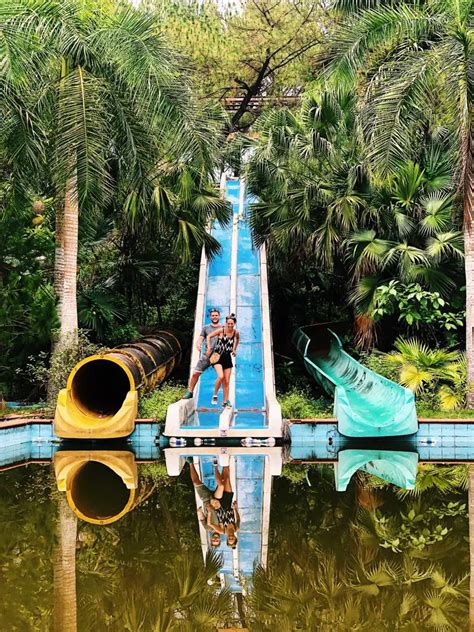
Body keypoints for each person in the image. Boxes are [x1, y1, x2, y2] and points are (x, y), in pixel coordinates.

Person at [182, 308, 222, 400]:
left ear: (219, 316)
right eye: (213, 315)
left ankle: (226, 399)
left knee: (223, 376)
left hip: (218, 355)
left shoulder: (223, 328)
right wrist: (198, 344)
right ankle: (190, 392)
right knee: (196, 373)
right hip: (207, 355)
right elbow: (200, 338)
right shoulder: (206, 328)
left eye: (216, 315)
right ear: (210, 317)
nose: (214, 317)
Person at [206, 313, 240, 408]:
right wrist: (209, 348)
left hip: (227, 358)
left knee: (227, 381)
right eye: (228, 323)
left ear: (234, 324)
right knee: (221, 376)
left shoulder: (236, 332)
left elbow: (237, 339)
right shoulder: (221, 330)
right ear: (225, 323)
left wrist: (234, 349)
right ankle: (215, 394)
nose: (229, 325)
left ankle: (226, 401)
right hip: (217, 356)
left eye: (231, 323)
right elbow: (208, 336)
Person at [188, 459, 222, 548]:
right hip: (218, 500)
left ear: (211, 539)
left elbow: (202, 518)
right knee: (221, 485)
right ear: (220, 539)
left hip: (206, 500)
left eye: (213, 541)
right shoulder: (223, 529)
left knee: (196, 482)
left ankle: (190, 463)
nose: (215, 539)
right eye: (217, 541)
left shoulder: (208, 528)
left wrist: (199, 511)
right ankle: (216, 465)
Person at [207, 464, 240, 549]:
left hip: (218, 504)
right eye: (232, 538)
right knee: (227, 478)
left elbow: (209, 524)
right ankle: (225, 459)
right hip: (228, 501)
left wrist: (210, 511)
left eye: (229, 539)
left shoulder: (222, 530)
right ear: (235, 538)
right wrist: (235, 508)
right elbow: (238, 519)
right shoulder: (237, 528)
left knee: (221, 485)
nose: (230, 537)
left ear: (227, 539)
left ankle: (215, 465)